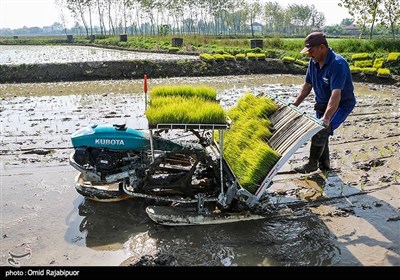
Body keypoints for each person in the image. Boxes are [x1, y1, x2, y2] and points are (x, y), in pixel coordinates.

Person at [292, 32, 356, 173]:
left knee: (321, 129)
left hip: (340, 104)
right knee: (322, 133)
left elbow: (336, 93)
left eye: (311, 51)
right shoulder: (313, 62)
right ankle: (324, 165)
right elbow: (307, 85)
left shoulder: (338, 64)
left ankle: (312, 164)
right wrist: (295, 104)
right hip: (322, 103)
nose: (309, 55)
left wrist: (327, 117)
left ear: (322, 47)